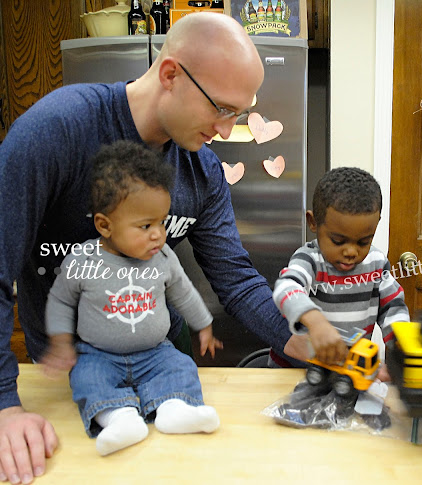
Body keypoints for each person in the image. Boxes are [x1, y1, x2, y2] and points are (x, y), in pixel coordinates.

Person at [0, 12, 304, 483]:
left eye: (239, 114)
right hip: (69, 376)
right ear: (170, 75)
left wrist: (298, 340)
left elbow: (238, 282)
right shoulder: (55, 132)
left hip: (159, 358)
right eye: (222, 108)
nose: (227, 130)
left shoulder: (202, 171)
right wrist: (3, 404)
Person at [41, 140, 223, 456]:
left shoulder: (163, 257)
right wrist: (59, 341)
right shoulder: (82, 260)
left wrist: (204, 325)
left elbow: (183, 292)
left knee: (180, 366)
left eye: (161, 223)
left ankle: (173, 410)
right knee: (86, 378)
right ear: (104, 225)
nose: (158, 234)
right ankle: (118, 418)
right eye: (145, 225)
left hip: (155, 352)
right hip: (98, 355)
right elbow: (60, 301)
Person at [272, 167, 410, 379]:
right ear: (313, 223)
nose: (351, 252)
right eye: (338, 241)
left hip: (347, 370)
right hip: (296, 369)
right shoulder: (309, 259)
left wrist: (399, 347)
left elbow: (393, 307)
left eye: (364, 241)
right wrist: (315, 322)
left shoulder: (376, 263)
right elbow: (286, 288)